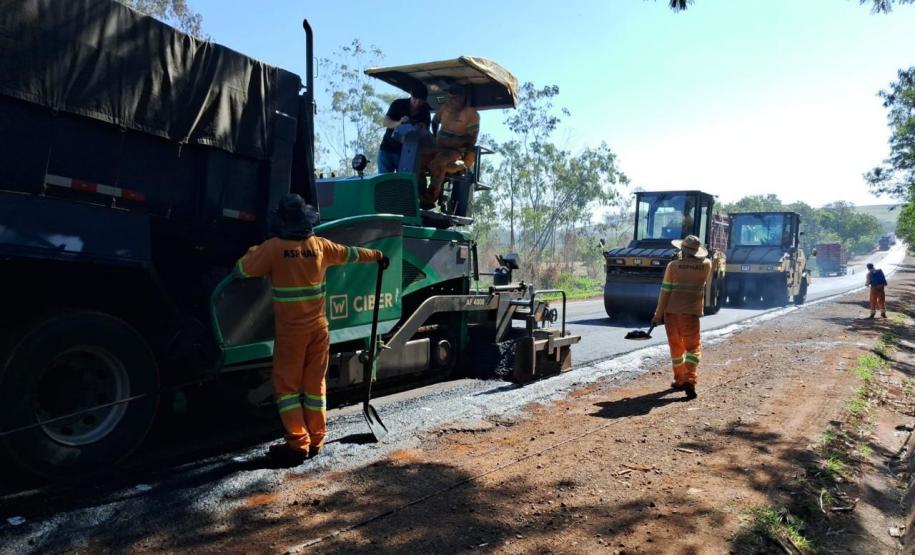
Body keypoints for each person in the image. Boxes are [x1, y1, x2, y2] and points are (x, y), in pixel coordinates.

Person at [235, 194, 386, 465]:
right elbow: (352, 254)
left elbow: (242, 270)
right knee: (316, 385)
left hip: (292, 334)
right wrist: (378, 256)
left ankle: (297, 444)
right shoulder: (320, 246)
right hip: (319, 330)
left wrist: (252, 251)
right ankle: (317, 438)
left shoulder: (273, 249)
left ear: (281, 221)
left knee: (287, 388)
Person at [652, 235, 713, 400]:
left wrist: (658, 315)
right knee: (693, 348)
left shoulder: (673, 266)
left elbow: (665, 292)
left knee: (676, 349)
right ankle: (690, 379)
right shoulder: (706, 265)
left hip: (671, 314)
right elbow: (704, 262)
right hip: (690, 315)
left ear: (682, 250)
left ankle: (679, 380)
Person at [421, 83, 480, 209]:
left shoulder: (471, 114)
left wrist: (454, 142)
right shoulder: (445, 108)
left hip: (455, 152)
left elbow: (472, 139)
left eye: (455, 97)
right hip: (438, 147)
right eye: (450, 96)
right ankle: (418, 191)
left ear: (463, 97)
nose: (451, 99)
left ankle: (430, 198)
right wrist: (434, 136)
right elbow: (435, 121)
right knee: (418, 157)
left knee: (439, 161)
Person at [377, 84, 432, 173]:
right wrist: (398, 123)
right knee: (384, 179)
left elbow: (426, 132)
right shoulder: (398, 104)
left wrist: (422, 127)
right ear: (411, 95)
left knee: (404, 180)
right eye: (415, 99)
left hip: (407, 154)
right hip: (387, 150)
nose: (417, 103)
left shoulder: (425, 111)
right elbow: (386, 122)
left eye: (421, 101)